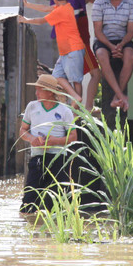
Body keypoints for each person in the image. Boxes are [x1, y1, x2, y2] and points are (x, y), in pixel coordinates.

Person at [18, 74, 79, 213]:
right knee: (29, 202)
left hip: (58, 159)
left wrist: (54, 141)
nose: (36, 92)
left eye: (40, 89)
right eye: (37, 89)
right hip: (38, 158)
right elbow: (23, 130)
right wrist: (31, 139)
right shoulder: (32, 107)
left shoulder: (65, 111)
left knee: (58, 203)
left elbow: (73, 136)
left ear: (50, 92)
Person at [19, 0, 87, 100]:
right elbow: (45, 8)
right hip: (67, 52)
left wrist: (25, 20)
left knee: (76, 81)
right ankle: (76, 98)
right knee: (57, 76)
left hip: (72, 50)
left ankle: (76, 102)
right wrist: (28, 4)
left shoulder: (61, 11)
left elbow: (41, 21)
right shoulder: (65, 7)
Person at [92, 0, 133, 111]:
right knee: (101, 55)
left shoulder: (131, 4)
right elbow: (98, 31)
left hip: (123, 40)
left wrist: (121, 45)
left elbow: (131, 31)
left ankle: (116, 98)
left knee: (130, 56)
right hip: (104, 40)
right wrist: (112, 48)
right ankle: (121, 96)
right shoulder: (99, 3)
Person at [78, 0, 101, 108]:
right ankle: (87, 108)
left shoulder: (78, 4)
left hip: (80, 46)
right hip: (82, 46)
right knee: (96, 74)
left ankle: (81, 108)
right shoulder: (79, 6)